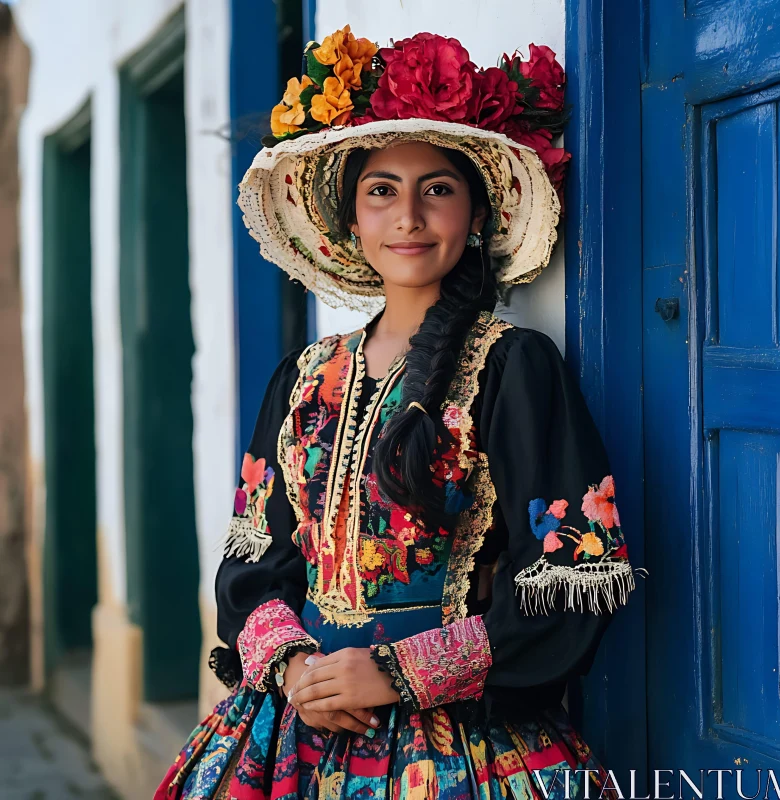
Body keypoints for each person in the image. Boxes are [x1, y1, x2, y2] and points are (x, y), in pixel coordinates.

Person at [155, 25, 646, 800]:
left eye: (438, 188)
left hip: (454, 736)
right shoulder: (302, 378)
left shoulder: (513, 367)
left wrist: (390, 674)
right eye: (381, 190)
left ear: (476, 215)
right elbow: (257, 557)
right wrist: (296, 666)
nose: (408, 216)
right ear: (351, 222)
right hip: (297, 718)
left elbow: (574, 572)